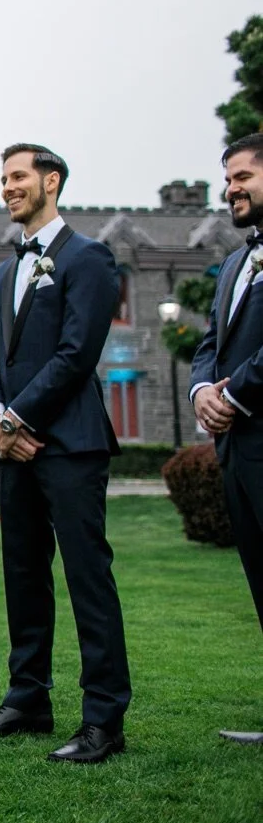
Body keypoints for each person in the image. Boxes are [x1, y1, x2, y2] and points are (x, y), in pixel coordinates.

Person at [0, 144, 131, 764]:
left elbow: (77, 353)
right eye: (3, 178)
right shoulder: (3, 272)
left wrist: (18, 418)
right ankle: (28, 698)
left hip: (71, 445)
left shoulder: (89, 258)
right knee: (23, 575)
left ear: (50, 182)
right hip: (14, 447)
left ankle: (104, 719)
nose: (8, 187)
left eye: (19, 176)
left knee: (89, 579)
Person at [189, 132, 263, 746]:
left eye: (242, 176)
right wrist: (201, 392)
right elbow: (210, 341)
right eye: (229, 178)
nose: (231, 188)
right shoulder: (238, 262)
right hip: (237, 450)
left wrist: (234, 393)